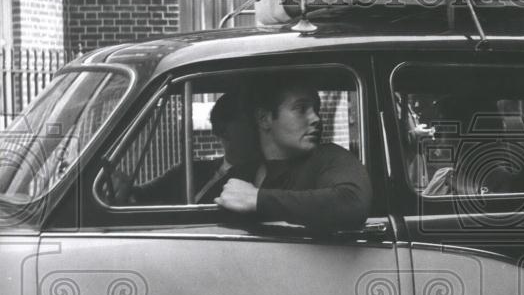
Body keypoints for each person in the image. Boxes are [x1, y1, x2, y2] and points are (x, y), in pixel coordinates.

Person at [215, 76, 371, 232]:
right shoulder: (242, 173)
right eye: (301, 109)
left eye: (316, 109)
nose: (316, 118)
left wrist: (257, 199)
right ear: (264, 119)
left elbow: (352, 201)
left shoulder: (330, 158)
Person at [117, 91, 256, 204]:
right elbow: (143, 195)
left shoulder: (258, 178)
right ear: (221, 130)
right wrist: (122, 187)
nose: (255, 128)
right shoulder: (190, 170)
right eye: (246, 121)